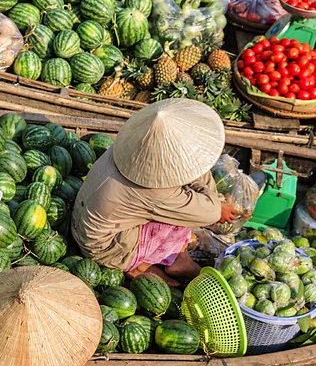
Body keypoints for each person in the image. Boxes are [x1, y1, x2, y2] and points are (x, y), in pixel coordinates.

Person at [71, 100, 238, 284]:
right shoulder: (155, 192)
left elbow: (187, 168)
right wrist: (218, 206)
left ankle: (143, 265)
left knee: (182, 202)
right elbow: (209, 213)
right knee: (183, 213)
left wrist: (212, 196)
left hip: (84, 224)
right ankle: (171, 261)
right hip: (105, 249)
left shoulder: (131, 147)